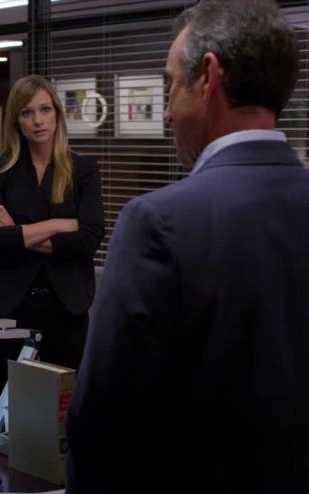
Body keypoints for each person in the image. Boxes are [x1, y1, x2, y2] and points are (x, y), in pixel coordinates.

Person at [66, 1, 308, 492]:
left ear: (208, 76)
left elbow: (104, 421)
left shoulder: (158, 222)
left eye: (171, 84)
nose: (167, 111)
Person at [0, 75, 105, 401]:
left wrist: (16, 231)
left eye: (45, 109)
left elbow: (88, 239)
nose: (38, 120)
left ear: (57, 114)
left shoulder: (82, 170)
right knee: (8, 408)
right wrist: (60, 224)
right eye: (27, 112)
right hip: (10, 306)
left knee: (64, 409)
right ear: (16, 121)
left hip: (67, 307)